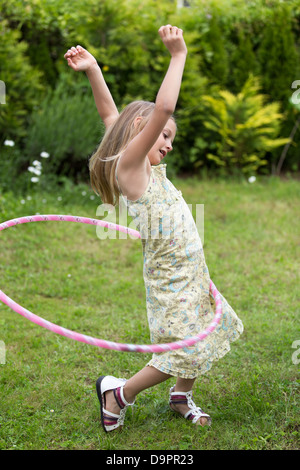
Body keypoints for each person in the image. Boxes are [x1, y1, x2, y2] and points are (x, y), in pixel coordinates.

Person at [64, 25, 243, 432]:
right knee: (181, 348)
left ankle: (181, 395)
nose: (168, 143)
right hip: (170, 276)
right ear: (140, 129)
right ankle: (118, 392)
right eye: (164, 135)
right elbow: (159, 110)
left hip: (192, 270)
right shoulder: (130, 169)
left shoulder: (144, 167)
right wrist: (177, 56)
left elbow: (111, 114)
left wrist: (93, 69)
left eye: (170, 138)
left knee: (197, 333)